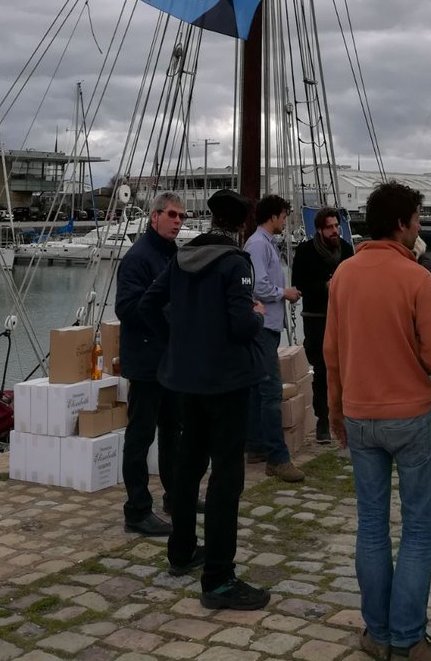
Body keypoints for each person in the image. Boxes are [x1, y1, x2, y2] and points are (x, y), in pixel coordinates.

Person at [324, 181, 431, 661]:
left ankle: (377, 634)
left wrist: (335, 410)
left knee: (372, 526)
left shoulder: (343, 275)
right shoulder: (416, 277)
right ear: (402, 223)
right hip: (410, 414)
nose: (420, 225)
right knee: (419, 530)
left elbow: (331, 352)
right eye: (418, 218)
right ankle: (408, 638)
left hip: (359, 413)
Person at [139, 188, 269, 611]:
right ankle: (218, 578)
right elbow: (239, 323)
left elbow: (149, 304)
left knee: (188, 466)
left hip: (186, 379)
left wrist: (177, 342)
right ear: (242, 224)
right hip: (226, 383)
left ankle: (181, 551)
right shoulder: (236, 263)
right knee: (226, 478)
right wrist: (256, 316)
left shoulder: (181, 258)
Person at [115, 191, 186, 536]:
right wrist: (169, 316)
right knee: (140, 435)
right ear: (154, 216)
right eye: (171, 214)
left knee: (174, 431)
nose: (177, 221)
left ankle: (175, 495)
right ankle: (137, 509)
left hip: (170, 360)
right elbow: (127, 308)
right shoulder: (137, 258)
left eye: (181, 217)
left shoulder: (173, 255)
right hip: (146, 361)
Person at [245, 193, 304, 481]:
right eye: (283, 216)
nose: (284, 221)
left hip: (268, 324)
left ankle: (256, 445)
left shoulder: (265, 244)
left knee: (258, 389)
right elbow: (257, 286)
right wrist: (285, 293)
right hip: (262, 325)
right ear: (273, 216)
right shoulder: (258, 244)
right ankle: (277, 458)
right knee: (270, 391)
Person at [292, 206, 353, 443]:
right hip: (316, 317)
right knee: (322, 370)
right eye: (330, 227)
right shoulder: (306, 251)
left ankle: (346, 415)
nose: (335, 231)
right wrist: (324, 286)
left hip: (342, 318)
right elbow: (298, 283)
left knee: (346, 368)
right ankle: (323, 420)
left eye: (337, 226)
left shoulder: (347, 250)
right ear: (319, 229)